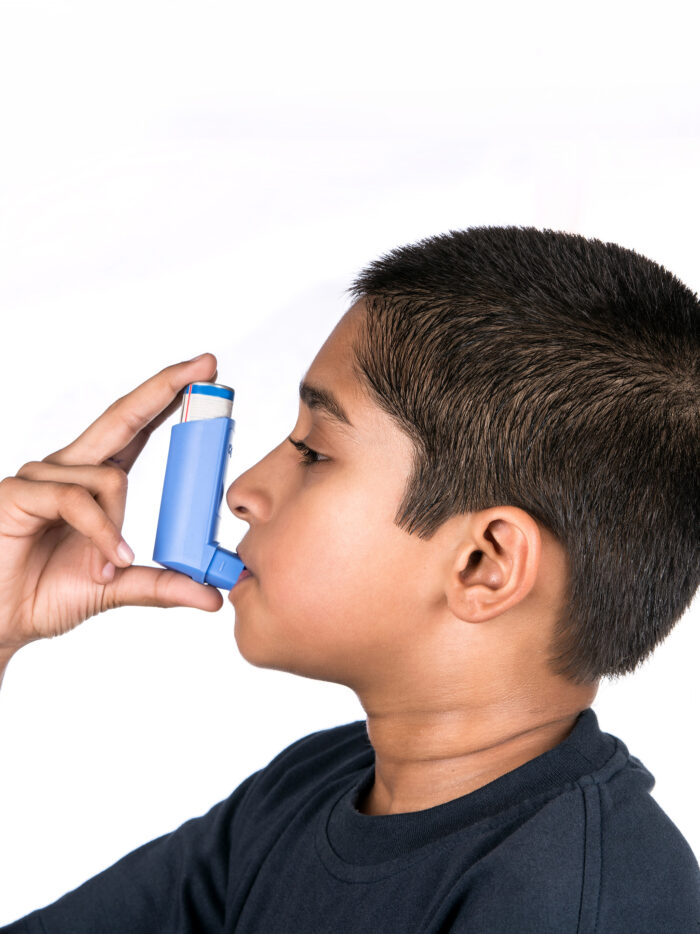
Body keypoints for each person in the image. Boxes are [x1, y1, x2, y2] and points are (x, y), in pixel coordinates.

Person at [0, 226, 698, 933]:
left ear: (483, 564)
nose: (243, 490)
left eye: (312, 451)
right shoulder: (308, 790)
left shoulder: (586, 905)